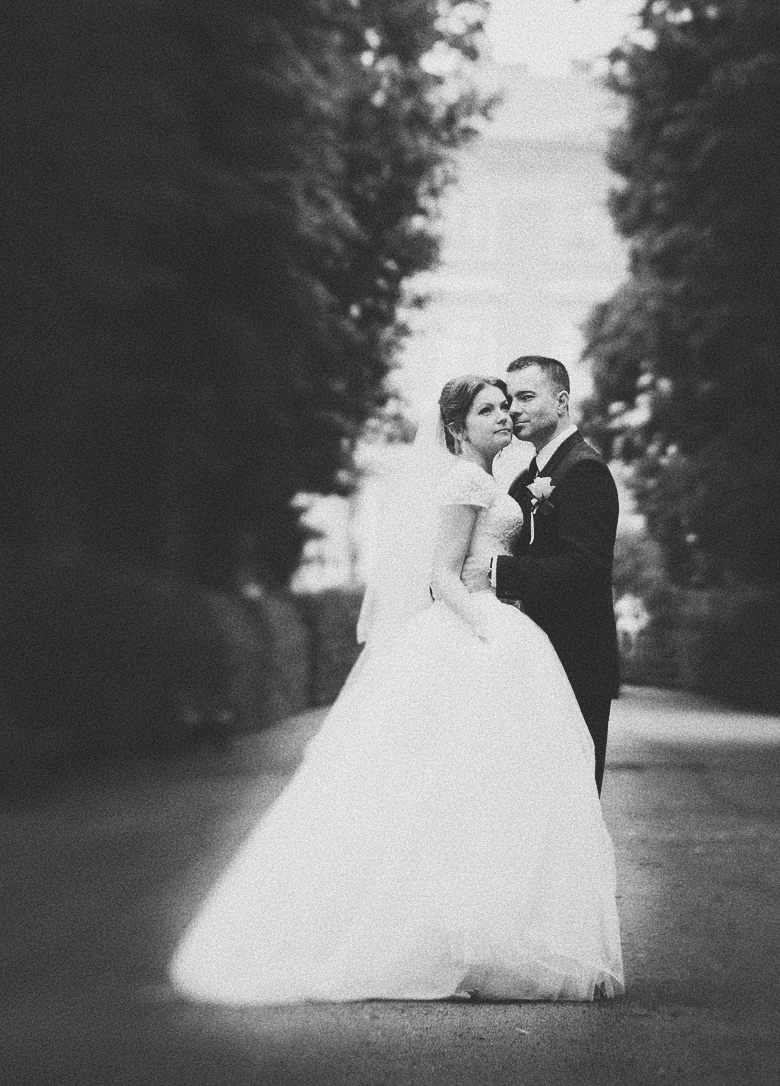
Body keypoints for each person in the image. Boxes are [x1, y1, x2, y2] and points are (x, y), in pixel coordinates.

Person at [169, 376, 623, 1004]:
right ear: (457, 427)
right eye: (489, 409)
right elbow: (443, 575)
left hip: (501, 622)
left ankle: (489, 934)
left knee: (488, 789)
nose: (504, 416)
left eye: (507, 405)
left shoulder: (505, 480)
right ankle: (442, 937)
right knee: (451, 786)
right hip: (476, 624)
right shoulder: (465, 482)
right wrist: (487, 627)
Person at [492, 355, 620, 790]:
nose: (514, 410)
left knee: (573, 793)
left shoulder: (584, 469)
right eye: (510, 400)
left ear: (562, 401)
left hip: (576, 659)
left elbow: (583, 569)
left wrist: (496, 572)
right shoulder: (529, 476)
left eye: (526, 397)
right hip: (536, 660)